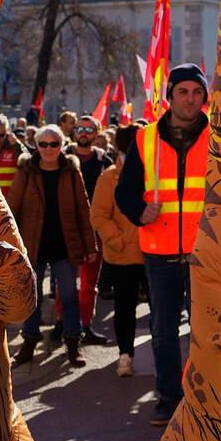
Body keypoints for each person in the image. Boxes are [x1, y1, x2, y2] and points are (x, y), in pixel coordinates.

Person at [115, 63, 210, 426]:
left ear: (204, 97)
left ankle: (204, 398)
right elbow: (125, 192)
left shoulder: (219, 137)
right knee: (164, 329)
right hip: (160, 249)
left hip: (206, 250)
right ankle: (169, 397)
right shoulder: (145, 138)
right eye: (183, 91)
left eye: (196, 92)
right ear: (169, 96)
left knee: (204, 331)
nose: (190, 98)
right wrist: (141, 212)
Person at [7, 123, 97, 368]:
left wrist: (90, 246)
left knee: (68, 295)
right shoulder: (26, 170)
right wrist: (8, 243)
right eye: (43, 144)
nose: (48, 149)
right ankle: (29, 340)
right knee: (31, 296)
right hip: (32, 245)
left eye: (54, 144)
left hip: (65, 245)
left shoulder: (70, 170)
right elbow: (12, 208)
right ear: (36, 146)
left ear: (61, 145)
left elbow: (83, 209)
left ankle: (72, 342)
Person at [90, 124, 147, 376]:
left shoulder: (155, 174)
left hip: (154, 253)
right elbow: (99, 215)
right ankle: (125, 355)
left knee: (161, 309)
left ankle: (161, 358)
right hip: (122, 255)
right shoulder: (109, 177)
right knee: (125, 308)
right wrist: (119, 240)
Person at [67, 114, 112, 345]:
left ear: (97, 133)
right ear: (74, 132)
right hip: (67, 229)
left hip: (95, 231)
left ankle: (85, 325)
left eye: (89, 129)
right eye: (80, 129)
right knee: (63, 283)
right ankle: (63, 324)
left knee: (88, 284)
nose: (83, 133)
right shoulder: (62, 156)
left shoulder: (104, 160)